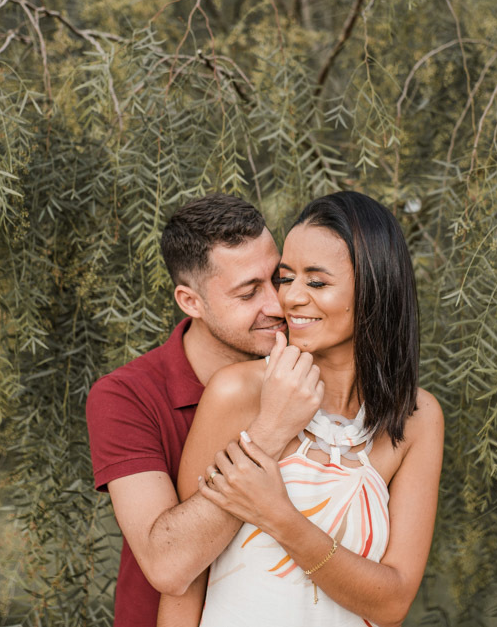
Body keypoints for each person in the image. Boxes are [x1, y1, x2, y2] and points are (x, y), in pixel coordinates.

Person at [157, 191, 445, 627]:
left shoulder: (417, 418)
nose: (288, 299)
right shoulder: (238, 393)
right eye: (285, 277)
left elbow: (392, 602)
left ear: (374, 286)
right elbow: (183, 583)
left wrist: (280, 517)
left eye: (316, 282)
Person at [86, 193, 325, 627]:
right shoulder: (125, 397)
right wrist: (270, 431)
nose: (277, 304)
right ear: (190, 301)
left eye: (279, 278)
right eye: (249, 291)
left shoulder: (309, 373)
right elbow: (169, 565)